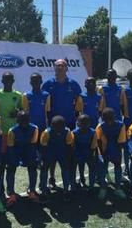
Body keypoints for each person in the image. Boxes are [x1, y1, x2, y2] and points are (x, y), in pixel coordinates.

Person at [42, 59, 81, 187]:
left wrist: (76, 118)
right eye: (58, 65)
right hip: (53, 126)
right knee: (52, 154)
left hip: (69, 123)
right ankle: (52, 177)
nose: (60, 67)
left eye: (63, 65)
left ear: (67, 68)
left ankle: (70, 179)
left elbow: (78, 101)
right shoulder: (48, 84)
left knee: (69, 153)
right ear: (54, 68)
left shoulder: (73, 84)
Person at [0, 71, 23, 200]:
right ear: (2, 80)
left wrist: (18, 113)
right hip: (0, 136)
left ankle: (11, 191)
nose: (8, 81)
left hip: (13, 136)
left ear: (13, 81)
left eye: (10, 79)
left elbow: (23, 112)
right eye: (5, 79)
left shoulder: (18, 95)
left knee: (12, 165)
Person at [6, 111, 41, 206]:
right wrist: (12, 160)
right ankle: (11, 193)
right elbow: (10, 147)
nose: (24, 123)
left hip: (28, 149)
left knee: (32, 167)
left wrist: (32, 159)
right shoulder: (12, 131)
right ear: (17, 120)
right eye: (22, 121)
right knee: (10, 168)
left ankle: (32, 191)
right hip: (15, 150)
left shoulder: (34, 128)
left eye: (26, 121)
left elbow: (33, 144)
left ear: (29, 120)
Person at [39, 115, 74, 202]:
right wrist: (43, 159)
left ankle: (66, 190)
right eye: (56, 128)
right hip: (49, 153)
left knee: (65, 169)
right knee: (45, 169)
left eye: (60, 128)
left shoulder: (67, 132)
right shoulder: (46, 133)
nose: (58, 130)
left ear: (64, 126)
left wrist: (69, 158)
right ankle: (43, 191)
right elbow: (43, 147)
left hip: (62, 153)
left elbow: (69, 146)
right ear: (52, 126)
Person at [96, 107, 127, 201]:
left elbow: (121, 141)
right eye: (107, 120)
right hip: (107, 150)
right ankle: (104, 187)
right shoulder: (101, 127)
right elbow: (98, 141)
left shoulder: (119, 125)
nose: (109, 122)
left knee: (116, 166)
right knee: (104, 167)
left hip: (113, 150)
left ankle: (117, 188)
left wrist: (116, 150)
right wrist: (102, 152)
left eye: (110, 120)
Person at [70, 114, 98, 191]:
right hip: (88, 154)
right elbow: (93, 146)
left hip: (77, 154)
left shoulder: (73, 133)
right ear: (89, 124)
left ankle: (75, 185)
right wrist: (92, 155)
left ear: (78, 124)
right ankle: (91, 186)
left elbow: (71, 145)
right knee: (92, 169)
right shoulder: (93, 132)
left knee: (76, 168)